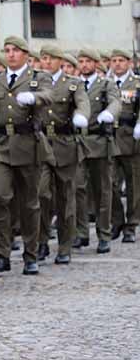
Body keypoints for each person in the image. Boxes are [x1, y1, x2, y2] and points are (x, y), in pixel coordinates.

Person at [0, 36, 54, 275]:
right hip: (1, 146)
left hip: (28, 146)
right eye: (7, 51)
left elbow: (49, 94)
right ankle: (1, 253)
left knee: (30, 203)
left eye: (16, 50)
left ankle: (31, 254)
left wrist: (34, 98)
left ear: (26, 54)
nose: (11, 55)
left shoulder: (38, 78)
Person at [35, 45, 88, 266]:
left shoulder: (72, 83)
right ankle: (41, 241)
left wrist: (81, 116)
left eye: (50, 58)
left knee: (66, 198)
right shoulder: (35, 81)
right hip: (41, 145)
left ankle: (65, 246)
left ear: (59, 60)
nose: (46, 62)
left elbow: (83, 103)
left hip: (64, 145)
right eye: (43, 58)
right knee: (41, 194)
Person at [75, 47, 120, 255]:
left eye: (87, 61)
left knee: (102, 190)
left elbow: (116, 102)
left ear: (95, 64)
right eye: (81, 61)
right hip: (78, 141)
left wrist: (109, 114)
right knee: (77, 188)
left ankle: (104, 234)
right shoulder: (74, 84)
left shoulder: (106, 84)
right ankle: (81, 232)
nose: (84, 65)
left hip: (100, 141)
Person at [107, 48, 140, 243]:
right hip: (110, 139)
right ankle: (117, 220)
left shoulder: (136, 84)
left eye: (121, 60)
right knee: (109, 183)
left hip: (131, 138)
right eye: (114, 60)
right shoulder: (106, 83)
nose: (117, 64)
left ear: (128, 63)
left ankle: (132, 224)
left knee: (134, 184)